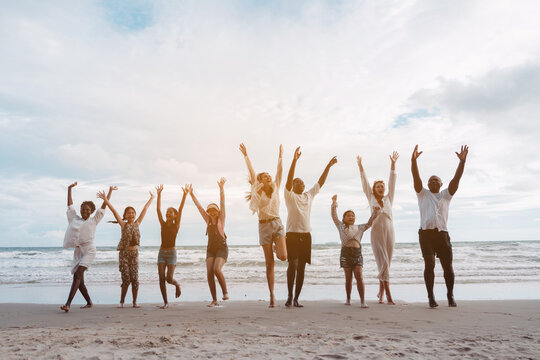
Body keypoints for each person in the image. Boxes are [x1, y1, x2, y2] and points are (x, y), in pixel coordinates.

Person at [411, 144, 469, 308]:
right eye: (430, 180)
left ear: (441, 183)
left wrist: (462, 162)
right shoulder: (422, 194)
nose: (433, 182)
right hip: (426, 235)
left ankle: (450, 295)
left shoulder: (446, 195)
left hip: (442, 234)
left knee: (447, 266)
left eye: (436, 180)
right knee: (429, 264)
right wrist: (413, 160)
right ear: (428, 184)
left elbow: (456, 179)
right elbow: (416, 177)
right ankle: (431, 297)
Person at [284, 146, 337, 308]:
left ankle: (296, 299)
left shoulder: (309, 195)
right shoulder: (289, 196)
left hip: (306, 235)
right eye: (297, 182)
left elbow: (320, 181)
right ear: (292, 186)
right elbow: (288, 179)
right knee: (292, 265)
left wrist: (328, 166)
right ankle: (289, 295)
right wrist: (294, 160)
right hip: (292, 235)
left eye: (302, 182)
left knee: (302, 267)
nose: (301, 184)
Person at [239, 143, 287, 308]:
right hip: (264, 226)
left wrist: (280, 155)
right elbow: (252, 173)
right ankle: (272, 295)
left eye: (268, 175)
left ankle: (276, 247)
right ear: (260, 180)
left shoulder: (276, 186)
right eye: (265, 176)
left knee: (283, 257)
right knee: (269, 264)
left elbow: (279, 171)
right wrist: (246, 156)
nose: (268, 177)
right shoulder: (256, 190)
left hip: (277, 223)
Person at [60, 182, 116, 312]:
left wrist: (109, 192)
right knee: (80, 282)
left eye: (88, 210)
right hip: (78, 251)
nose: (85, 211)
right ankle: (89, 302)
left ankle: (68, 304)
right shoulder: (74, 219)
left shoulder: (94, 220)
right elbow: (70, 206)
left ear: (91, 212)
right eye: (83, 209)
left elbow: (103, 207)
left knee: (78, 274)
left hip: (89, 250)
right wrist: (69, 189)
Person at [98, 190, 154, 308]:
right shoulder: (124, 225)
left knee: (135, 279)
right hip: (124, 254)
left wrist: (152, 198)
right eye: (128, 213)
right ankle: (122, 302)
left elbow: (145, 209)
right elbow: (114, 211)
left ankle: (134, 302)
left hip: (134, 254)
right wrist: (106, 200)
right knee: (126, 279)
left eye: (133, 213)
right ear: (125, 215)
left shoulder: (137, 223)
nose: (131, 215)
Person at [357, 151, 399, 305]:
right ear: (374, 189)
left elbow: (392, 182)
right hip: (376, 233)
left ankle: (380, 294)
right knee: (383, 263)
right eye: (378, 186)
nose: (381, 188)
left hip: (390, 232)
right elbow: (364, 183)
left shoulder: (389, 198)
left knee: (388, 262)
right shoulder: (371, 197)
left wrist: (393, 165)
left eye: (382, 186)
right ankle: (388, 295)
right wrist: (361, 167)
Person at [331, 195, 379, 308]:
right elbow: (334, 216)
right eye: (348, 215)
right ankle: (348, 298)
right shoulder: (341, 226)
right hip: (345, 253)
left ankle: (363, 301)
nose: (351, 217)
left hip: (357, 253)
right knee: (348, 278)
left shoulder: (360, 227)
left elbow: (370, 223)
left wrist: (375, 213)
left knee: (359, 275)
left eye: (352, 216)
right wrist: (334, 203)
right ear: (344, 218)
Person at [188, 178, 230, 307]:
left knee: (217, 269)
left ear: (217, 211)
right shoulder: (207, 220)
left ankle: (225, 292)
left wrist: (221, 188)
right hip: (211, 248)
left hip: (222, 248)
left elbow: (222, 203)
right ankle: (214, 300)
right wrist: (191, 194)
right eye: (210, 210)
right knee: (209, 273)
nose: (212, 212)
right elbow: (199, 207)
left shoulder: (221, 219)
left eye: (214, 210)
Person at [155, 184, 188, 309]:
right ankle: (166, 302)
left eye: (171, 212)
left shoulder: (176, 225)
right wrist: (159, 194)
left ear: (175, 215)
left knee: (169, 279)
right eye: (167, 211)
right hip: (162, 253)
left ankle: (177, 285)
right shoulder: (163, 224)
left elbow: (181, 208)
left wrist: (184, 195)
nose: (168, 213)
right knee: (161, 278)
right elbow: (158, 210)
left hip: (172, 254)